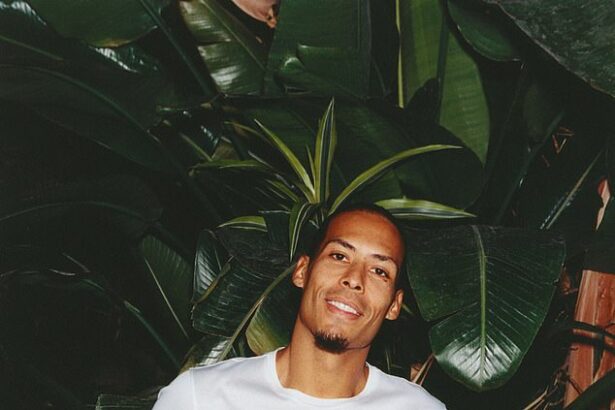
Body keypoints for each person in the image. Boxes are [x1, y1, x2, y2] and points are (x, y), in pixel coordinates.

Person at [153, 204, 446, 409]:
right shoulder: (200, 399)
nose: (354, 279)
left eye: (380, 271)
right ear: (302, 271)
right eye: (339, 256)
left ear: (394, 305)